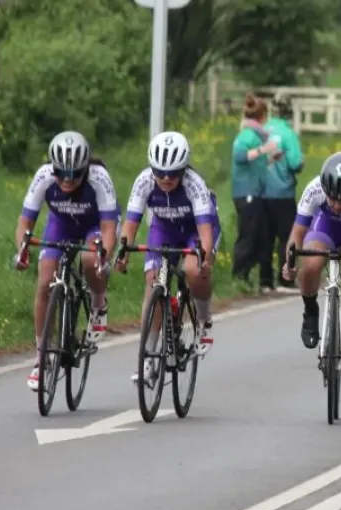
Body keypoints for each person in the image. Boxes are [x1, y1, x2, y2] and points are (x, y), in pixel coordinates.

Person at [14, 131, 119, 391]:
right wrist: (22, 251)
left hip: (94, 226)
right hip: (60, 225)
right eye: (61, 173)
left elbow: (108, 228)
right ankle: (42, 358)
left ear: (85, 169)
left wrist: (103, 257)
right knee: (45, 281)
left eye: (74, 174)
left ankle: (98, 305)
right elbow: (25, 223)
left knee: (89, 257)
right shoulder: (44, 176)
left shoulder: (99, 178)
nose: (67, 180)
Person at [116, 131, 221, 385]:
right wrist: (123, 251)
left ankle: (204, 320)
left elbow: (206, 233)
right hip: (164, 229)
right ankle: (147, 358)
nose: (165, 178)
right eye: (159, 172)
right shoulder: (143, 181)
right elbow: (130, 224)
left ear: (184, 170)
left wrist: (205, 258)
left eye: (172, 173)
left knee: (194, 270)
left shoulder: (194, 185)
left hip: (196, 230)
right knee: (153, 281)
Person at [282, 151, 341, 398]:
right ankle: (310, 310)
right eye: (331, 198)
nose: (336, 204)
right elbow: (298, 233)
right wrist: (289, 261)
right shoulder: (314, 190)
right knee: (310, 263)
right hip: (325, 230)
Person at [230, 93, 277, 293]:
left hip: (256, 192)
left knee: (261, 234)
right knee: (248, 235)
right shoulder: (247, 136)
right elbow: (240, 156)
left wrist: (271, 158)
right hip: (246, 192)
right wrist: (264, 149)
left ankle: (258, 277)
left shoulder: (255, 136)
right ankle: (239, 275)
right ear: (262, 116)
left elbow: (255, 164)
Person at [263, 100, 305, 293]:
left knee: (266, 236)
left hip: (260, 191)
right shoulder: (288, 135)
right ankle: (284, 279)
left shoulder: (261, 131)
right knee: (287, 236)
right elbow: (296, 163)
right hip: (282, 192)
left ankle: (265, 281)